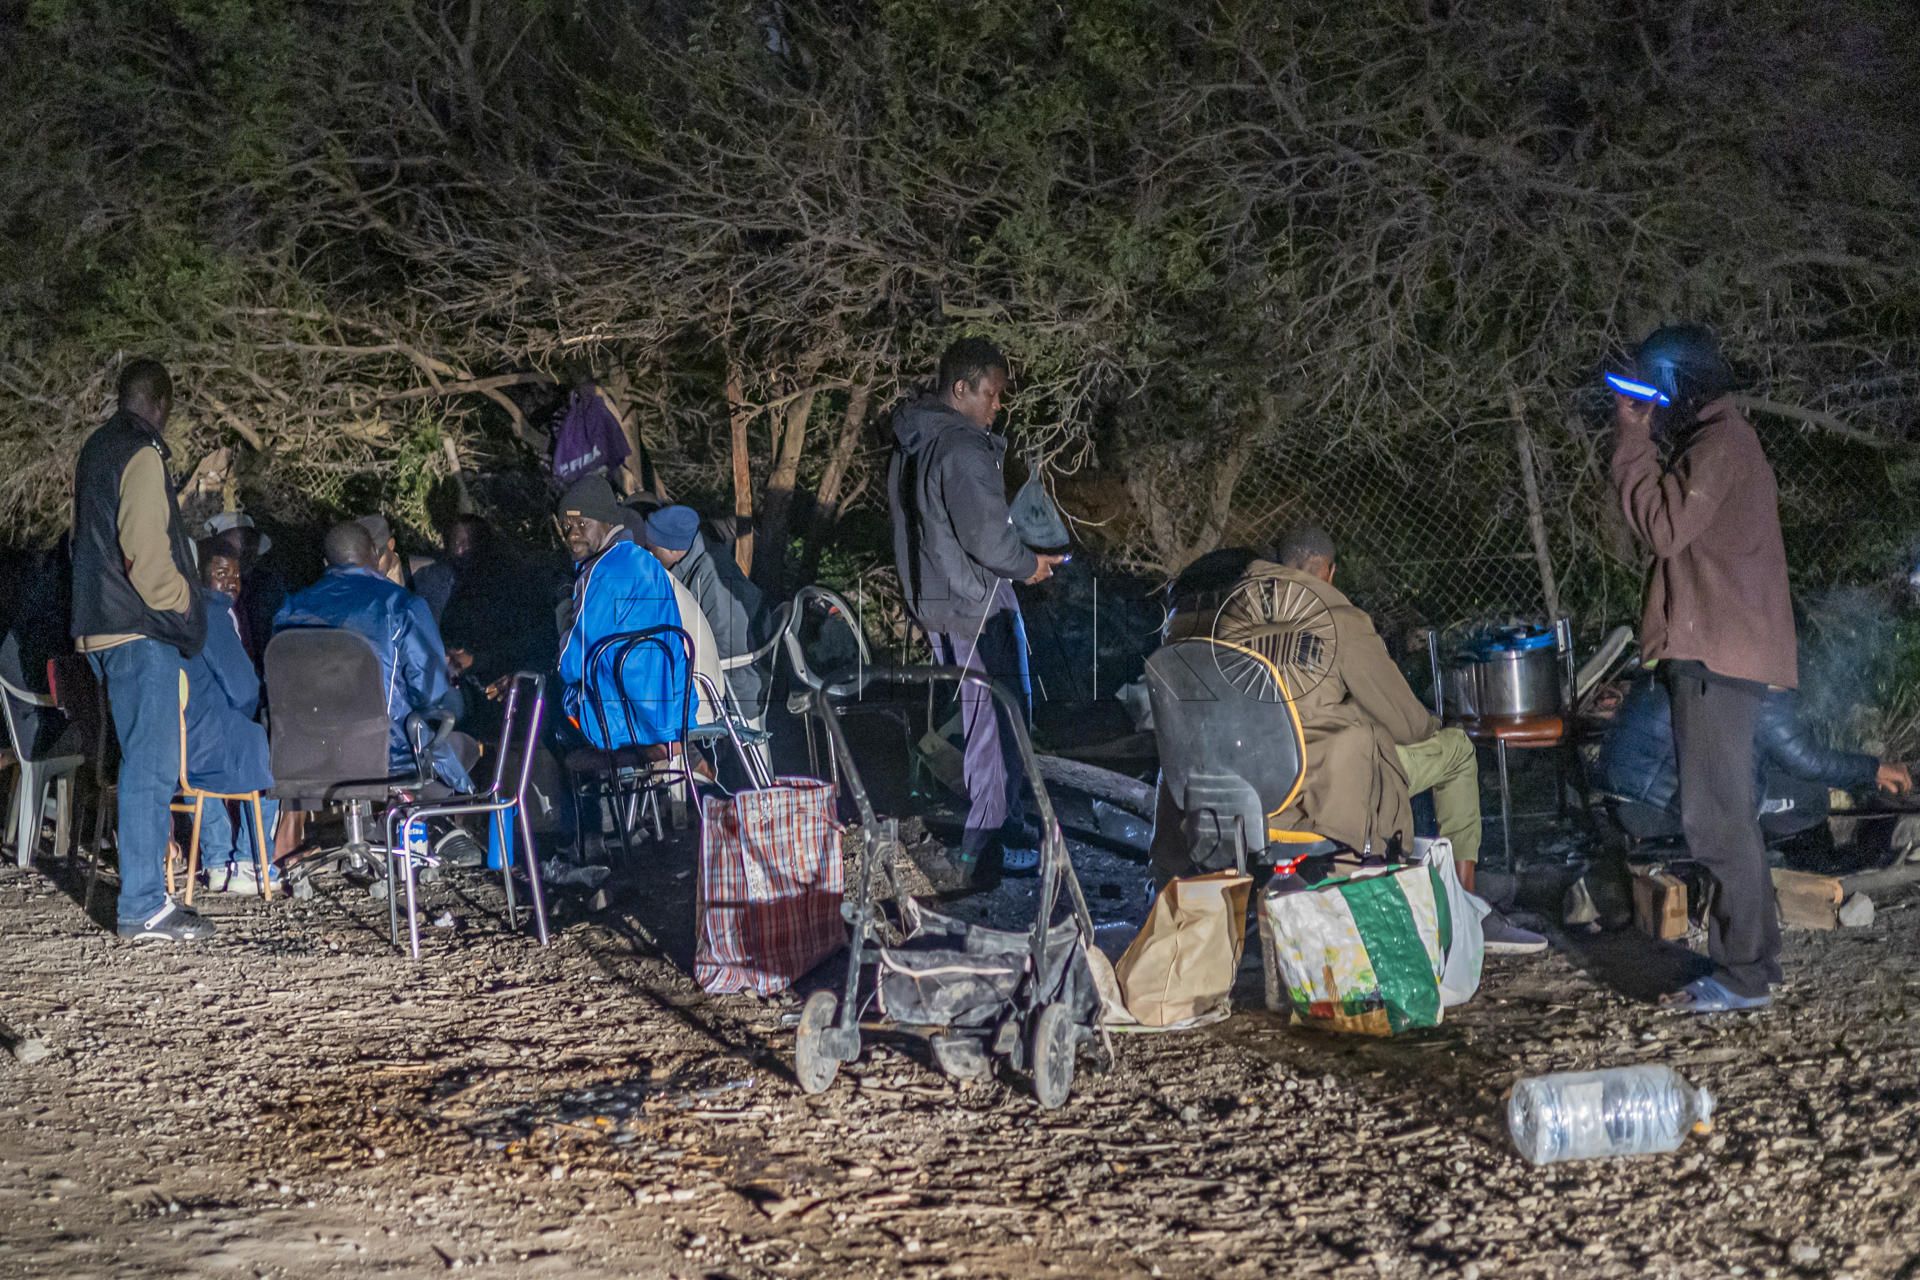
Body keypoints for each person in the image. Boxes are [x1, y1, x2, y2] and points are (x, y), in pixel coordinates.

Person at [1161, 528, 1546, 954]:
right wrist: (1430, 723)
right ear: (1329, 572)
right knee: (1455, 749)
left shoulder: (1224, 618)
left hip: (1239, 793)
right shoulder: (1337, 616)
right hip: (1320, 792)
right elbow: (1408, 724)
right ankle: (1466, 912)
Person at [1611, 323, 1795, 1013]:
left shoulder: (1720, 445)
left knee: (1715, 820)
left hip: (1716, 655)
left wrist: (1631, 438)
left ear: (1679, 383)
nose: (1651, 399)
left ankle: (1743, 975)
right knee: (1728, 815)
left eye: (1656, 385)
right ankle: (1755, 966)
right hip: (1722, 650)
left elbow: (1664, 530)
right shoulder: (1724, 441)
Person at [888, 338, 1066, 889]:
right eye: (991, 393)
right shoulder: (961, 447)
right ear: (961, 388)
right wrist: (1029, 565)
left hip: (943, 597)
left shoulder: (918, 438)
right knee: (997, 721)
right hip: (976, 603)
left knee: (984, 718)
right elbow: (988, 538)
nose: (997, 405)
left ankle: (995, 830)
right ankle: (986, 847)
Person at [71, 358, 213, 941]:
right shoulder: (142, 453)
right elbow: (145, 551)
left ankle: (144, 896)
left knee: (139, 763)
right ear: (161, 404)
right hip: (138, 628)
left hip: (99, 625)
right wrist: (181, 601)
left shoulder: (96, 449)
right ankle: (144, 904)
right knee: (151, 768)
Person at [273, 521, 474, 794]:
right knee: (462, 744)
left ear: (326, 563)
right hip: (387, 752)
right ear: (375, 555)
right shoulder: (402, 605)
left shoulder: (291, 609)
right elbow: (430, 692)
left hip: (307, 750)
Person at [1600, 671, 1913, 842]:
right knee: (1812, 799)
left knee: (1767, 776)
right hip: (1655, 808)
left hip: (1618, 794)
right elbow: (1804, 760)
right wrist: (1874, 768)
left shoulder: (1699, 650)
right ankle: (1754, 858)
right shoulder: (1755, 670)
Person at [555, 474, 689, 750]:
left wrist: (562, 623)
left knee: (547, 707)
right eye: (566, 526)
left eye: (582, 524)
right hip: (673, 711)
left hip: (623, 719)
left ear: (607, 522)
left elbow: (571, 662)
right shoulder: (645, 561)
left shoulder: (603, 572)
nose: (572, 535)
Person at [185, 549, 279, 895]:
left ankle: (216, 861)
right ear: (199, 575)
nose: (231, 583)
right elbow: (243, 689)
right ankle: (250, 861)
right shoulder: (212, 613)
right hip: (216, 738)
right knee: (271, 753)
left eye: (237, 575)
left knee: (198, 781)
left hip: (183, 738)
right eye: (221, 573)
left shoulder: (180, 612)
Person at [642, 505, 769, 720]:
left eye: (651, 549)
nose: (647, 554)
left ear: (673, 550)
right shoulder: (691, 562)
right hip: (711, 675)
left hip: (732, 692)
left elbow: (730, 648)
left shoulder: (715, 579)